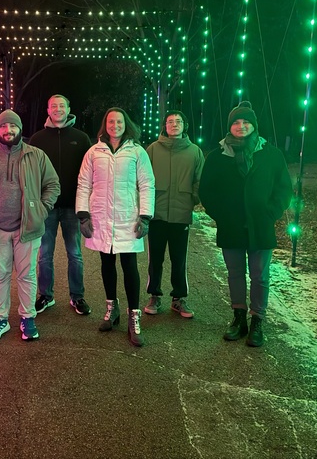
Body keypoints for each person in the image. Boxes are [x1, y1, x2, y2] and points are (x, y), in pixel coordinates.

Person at [198, 101, 292, 347]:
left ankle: (257, 321)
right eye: (236, 122)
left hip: (261, 226)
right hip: (231, 226)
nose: (241, 126)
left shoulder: (271, 154)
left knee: (260, 276)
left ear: (253, 125)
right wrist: (221, 215)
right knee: (236, 274)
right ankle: (239, 318)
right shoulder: (218, 156)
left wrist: (270, 213)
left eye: (246, 122)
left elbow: (284, 190)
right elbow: (206, 191)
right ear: (230, 126)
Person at [0, 109, 60, 342]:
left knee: (27, 274)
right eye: (4, 127)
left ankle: (27, 318)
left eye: (13, 126)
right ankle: (0, 319)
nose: (9, 131)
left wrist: (41, 210)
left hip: (27, 227)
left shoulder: (36, 155)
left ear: (19, 129)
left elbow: (53, 184)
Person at [76, 107, 155, 347]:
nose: (115, 125)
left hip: (127, 218)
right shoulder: (94, 151)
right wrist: (83, 215)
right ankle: (112, 308)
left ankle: (134, 316)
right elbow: (83, 183)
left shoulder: (137, 152)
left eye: (119, 121)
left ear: (125, 124)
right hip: (101, 218)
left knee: (130, 266)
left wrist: (145, 217)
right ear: (105, 124)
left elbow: (147, 184)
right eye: (111, 122)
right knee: (106, 263)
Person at [29, 94, 92, 316]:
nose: (58, 109)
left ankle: (78, 296)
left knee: (74, 253)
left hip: (72, 207)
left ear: (68, 108)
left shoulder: (81, 138)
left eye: (61, 105)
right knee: (44, 254)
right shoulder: (37, 139)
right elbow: (30, 173)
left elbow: (89, 172)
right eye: (53, 106)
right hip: (46, 208)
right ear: (48, 110)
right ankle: (46, 295)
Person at [144, 110, 205, 319]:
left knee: (179, 259)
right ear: (164, 126)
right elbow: (143, 178)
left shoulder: (194, 151)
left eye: (178, 121)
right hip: (157, 214)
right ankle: (154, 295)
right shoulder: (152, 149)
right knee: (155, 259)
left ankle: (179, 299)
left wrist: (193, 198)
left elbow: (200, 179)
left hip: (181, 214)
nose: (174, 124)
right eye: (170, 121)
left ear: (184, 125)